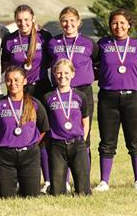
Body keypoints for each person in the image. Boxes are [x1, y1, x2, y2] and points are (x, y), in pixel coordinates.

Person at [1, 4, 53, 193]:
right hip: (18, 91)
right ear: (16, 21)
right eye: (19, 20)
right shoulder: (9, 40)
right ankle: (15, 178)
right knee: (19, 132)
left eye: (26, 20)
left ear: (33, 20)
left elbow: (51, 59)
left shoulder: (44, 36)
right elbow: (7, 66)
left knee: (42, 135)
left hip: (40, 87)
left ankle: (47, 180)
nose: (23, 23)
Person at [94, 9, 137, 192]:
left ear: (129, 24)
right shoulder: (102, 44)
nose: (118, 26)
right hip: (108, 97)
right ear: (110, 25)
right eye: (115, 23)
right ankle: (104, 182)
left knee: (135, 140)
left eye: (122, 23)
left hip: (133, 97)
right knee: (107, 141)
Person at [47, 7, 98, 165]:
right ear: (60, 23)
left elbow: (98, 62)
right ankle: (64, 178)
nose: (68, 24)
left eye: (72, 20)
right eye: (64, 20)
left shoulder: (89, 43)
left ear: (79, 22)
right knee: (62, 134)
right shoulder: (53, 43)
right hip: (61, 93)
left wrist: (87, 76)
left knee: (84, 134)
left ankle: (83, 177)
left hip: (82, 91)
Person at [0, 66, 49, 198]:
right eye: (9, 80)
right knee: (5, 198)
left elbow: (44, 128)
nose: (13, 84)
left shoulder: (34, 104)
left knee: (31, 196)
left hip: (29, 156)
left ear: (24, 81)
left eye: (17, 80)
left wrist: (30, 142)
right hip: (5, 157)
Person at [44, 59, 90, 195]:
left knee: (84, 192)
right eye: (59, 73)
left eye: (66, 72)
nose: (62, 76)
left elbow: (85, 121)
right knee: (57, 193)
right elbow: (45, 123)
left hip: (77, 144)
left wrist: (82, 140)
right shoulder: (48, 97)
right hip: (57, 145)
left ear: (73, 74)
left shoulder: (80, 96)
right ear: (54, 74)